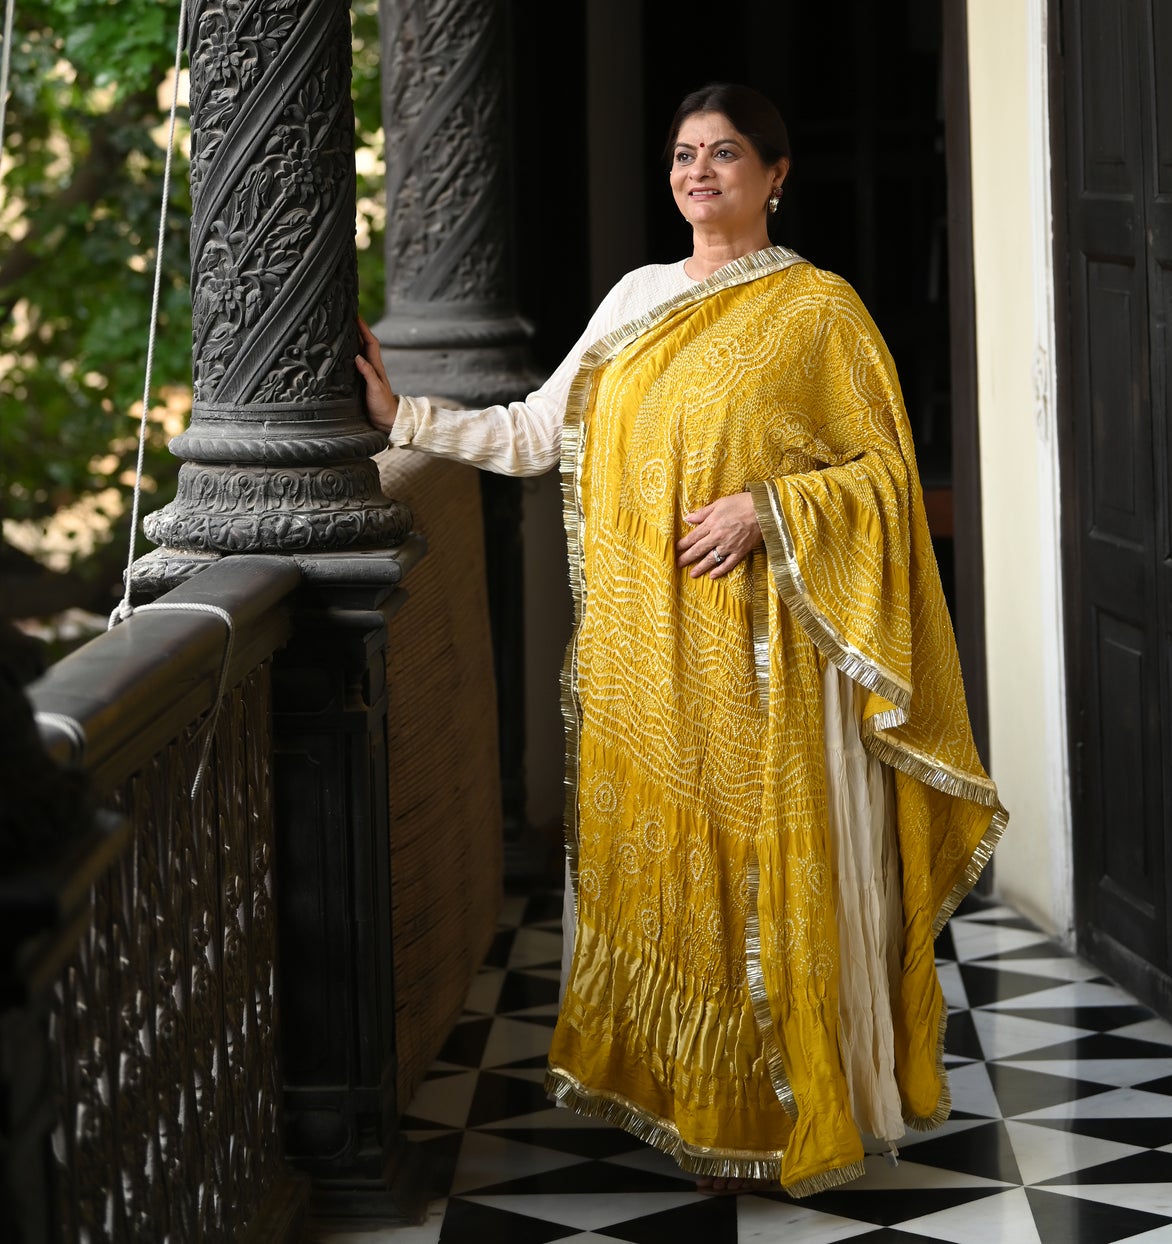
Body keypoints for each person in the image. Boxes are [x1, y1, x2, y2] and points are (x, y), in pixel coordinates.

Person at [356, 82, 1005, 1199]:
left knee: (768, 877)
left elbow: (887, 478)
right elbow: (531, 433)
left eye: (725, 153)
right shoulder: (636, 300)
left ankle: (801, 1111)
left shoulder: (819, 311)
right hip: (655, 664)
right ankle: (705, 1110)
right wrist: (399, 418)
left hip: (776, 658)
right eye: (683, 154)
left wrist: (771, 511)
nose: (699, 172)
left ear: (776, 174)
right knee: (684, 874)